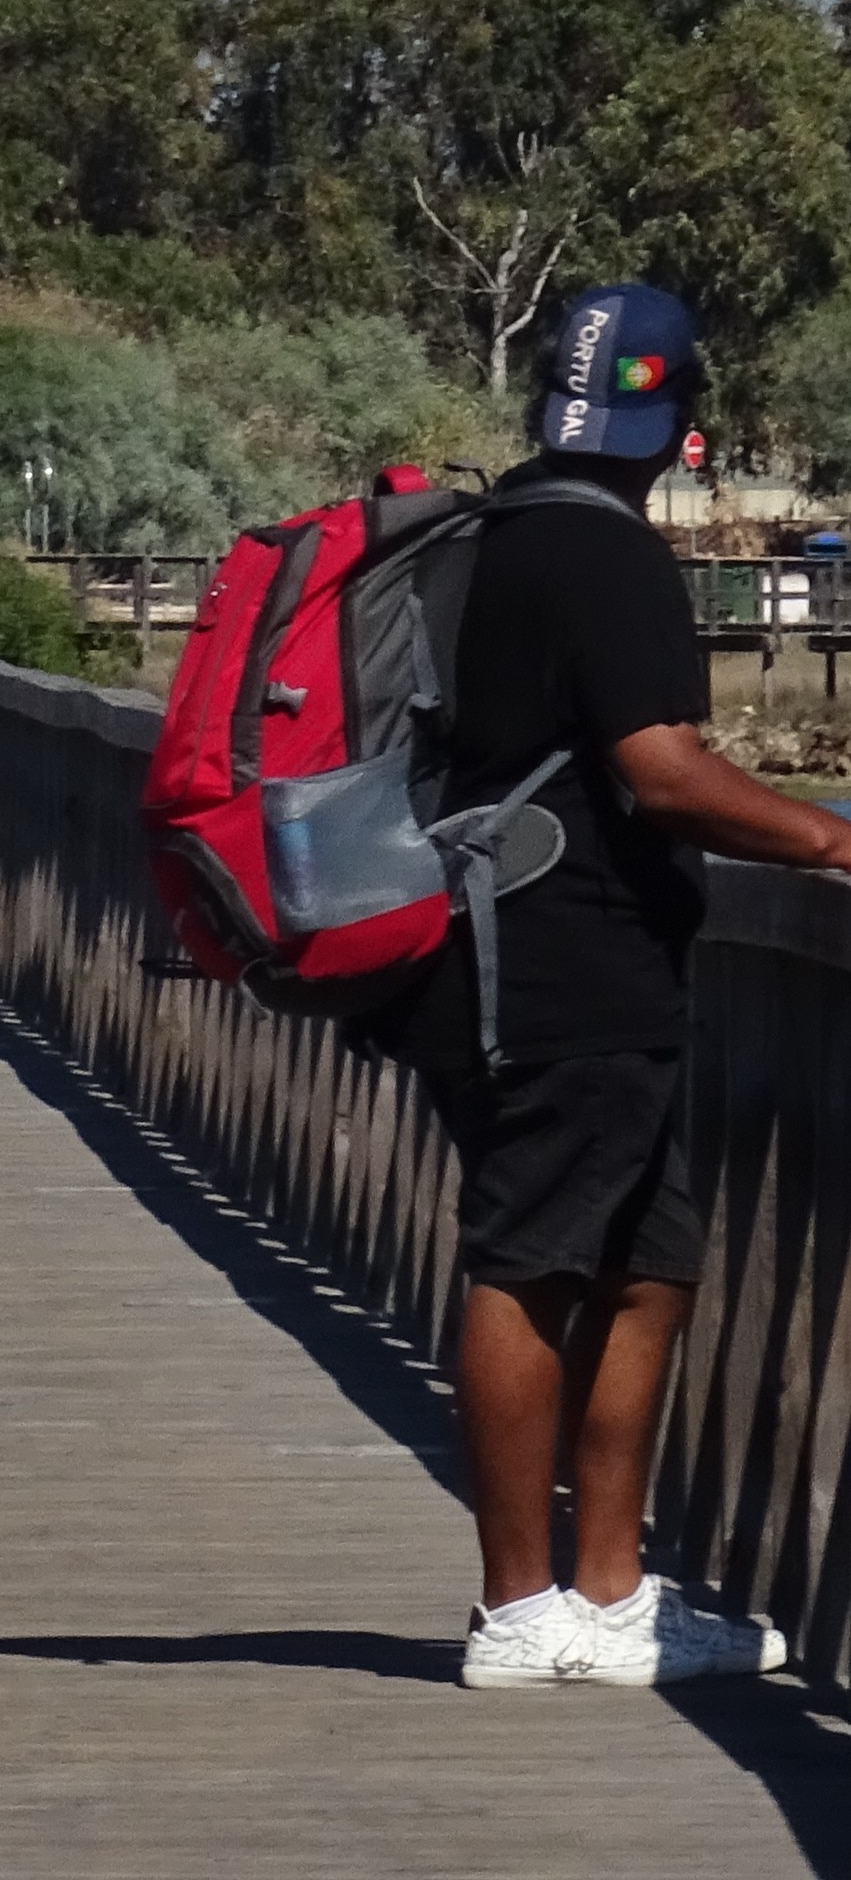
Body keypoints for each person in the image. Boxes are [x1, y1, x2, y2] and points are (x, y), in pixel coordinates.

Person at [404, 286, 851, 1687]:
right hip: (553, 967)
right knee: (531, 1262)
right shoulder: (601, 559)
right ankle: (515, 1610)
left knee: (648, 1270)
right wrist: (836, 837)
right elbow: (664, 773)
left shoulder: (508, 529)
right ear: (673, 429)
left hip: (569, 959)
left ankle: (608, 1601)